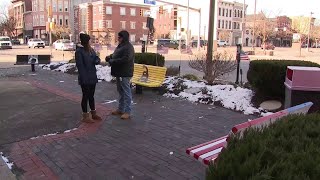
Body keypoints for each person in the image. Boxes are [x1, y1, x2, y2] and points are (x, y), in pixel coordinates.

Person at [105, 30, 134, 120]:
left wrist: (113, 61)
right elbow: (116, 54)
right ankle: (121, 109)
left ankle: (127, 111)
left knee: (126, 91)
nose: (118, 38)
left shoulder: (128, 47)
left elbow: (125, 59)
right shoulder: (121, 45)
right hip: (119, 72)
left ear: (124, 37)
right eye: (118, 37)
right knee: (120, 91)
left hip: (125, 73)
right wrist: (110, 57)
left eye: (120, 37)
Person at [75, 33, 102, 123]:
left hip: (92, 76)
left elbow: (95, 58)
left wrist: (97, 60)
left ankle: (93, 113)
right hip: (85, 78)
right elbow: (80, 66)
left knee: (91, 96)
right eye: (88, 41)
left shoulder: (90, 50)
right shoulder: (79, 51)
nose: (89, 42)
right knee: (85, 96)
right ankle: (85, 116)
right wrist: (84, 78)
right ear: (84, 42)